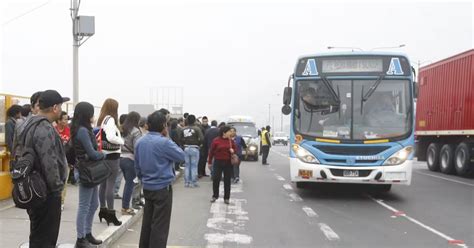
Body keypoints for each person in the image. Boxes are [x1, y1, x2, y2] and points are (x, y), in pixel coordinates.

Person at [12, 90, 69, 248]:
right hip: (46, 193)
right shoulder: (43, 127)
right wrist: (57, 188)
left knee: (38, 235)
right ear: (55, 107)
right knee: (45, 239)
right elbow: (49, 162)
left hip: (35, 188)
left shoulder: (29, 124)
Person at [135, 111, 185, 248]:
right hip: (162, 187)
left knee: (147, 222)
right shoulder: (164, 143)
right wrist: (167, 136)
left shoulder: (140, 142)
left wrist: (143, 179)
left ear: (148, 125)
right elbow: (181, 156)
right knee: (160, 226)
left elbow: (137, 166)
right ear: (164, 125)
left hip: (147, 186)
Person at [71, 102, 105, 248]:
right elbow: (92, 153)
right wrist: (102, 154)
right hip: (86, 171)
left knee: (94, 204)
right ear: (86, 114)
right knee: (84, 205)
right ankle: (80, 239)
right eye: (91, 113)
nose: (93, 116)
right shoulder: (83, 131)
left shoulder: (83, 129)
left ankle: (87, 233)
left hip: (90, 170)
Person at [96, 98, 124, 226]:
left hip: (104, 154)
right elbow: (112, 137)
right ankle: (111, 214)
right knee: (110, 184)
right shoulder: (111, 120)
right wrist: (122, 141)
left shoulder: (103, 119)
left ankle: (103, 210)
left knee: (103, 184)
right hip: (112, 155)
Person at [120, 111, 143, 215]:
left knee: (127, 183)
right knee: (130, 184)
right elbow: (137, 147)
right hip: (130, 159)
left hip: (121, 158)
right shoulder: (135, 131)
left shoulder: (121, 129)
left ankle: (125, 206)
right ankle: (125, 207)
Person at [208, 125, 237, 205]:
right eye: (229, 131)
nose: (231, 133)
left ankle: (226, 198)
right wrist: (209, 162)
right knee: (216, 179)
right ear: (224, 132)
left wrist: (232, 150)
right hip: (217, 162)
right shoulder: (216, 140)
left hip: (228, 162)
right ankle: (215, 196)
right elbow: (211, 152)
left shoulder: (231, 141)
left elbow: (235, 149)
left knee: (227, 180)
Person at [180, 115, 204, 188]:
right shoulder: (197, 129)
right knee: (194, 166)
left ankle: (187, 182)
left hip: (186, 148)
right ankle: (193, 182)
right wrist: (199, 145)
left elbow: (180, 139)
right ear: (194, 121)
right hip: (195, 148)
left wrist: (183, 145)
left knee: (187, 166)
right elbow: (202, 139)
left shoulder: (183, 129)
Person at [55, 111, 71, 211]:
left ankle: (61, 201)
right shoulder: (53, 129)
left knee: (64, 181)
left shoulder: (68, 130)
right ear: (59, 120)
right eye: (64, 119)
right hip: (55, 159)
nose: (66, 121)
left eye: (67, 119)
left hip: (66, 159)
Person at [114, 114, 128, 200]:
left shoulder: (117, 129)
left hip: (117, 154)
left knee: (116, 174)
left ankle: (113, 191)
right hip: (122, 154)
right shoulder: (125, 130)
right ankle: (114, 192)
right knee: (119, 175)